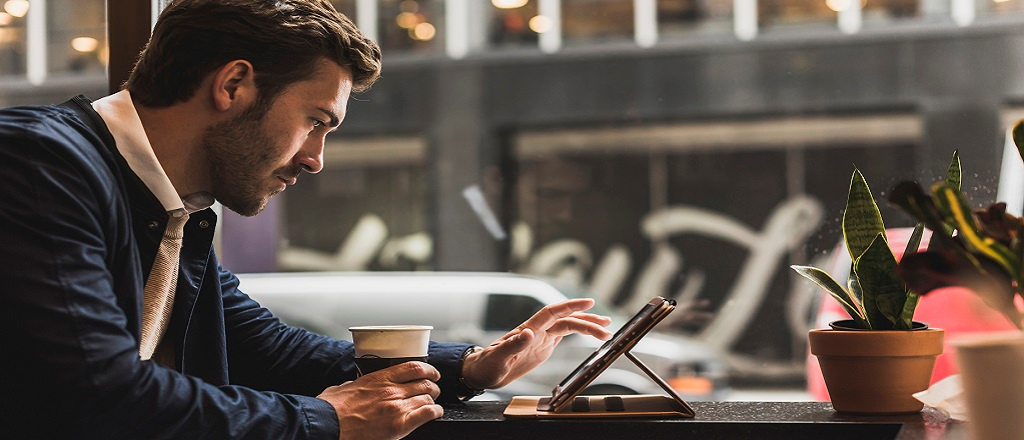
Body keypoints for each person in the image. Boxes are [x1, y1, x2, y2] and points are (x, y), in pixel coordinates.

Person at [0, 1, 612, 439]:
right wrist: (328, 419)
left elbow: (266, 350)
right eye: (317, 121)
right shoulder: (38, 161)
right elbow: (95, 394)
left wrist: (473, 365)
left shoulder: (173, 209)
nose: (316, 160)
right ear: (234, 84)